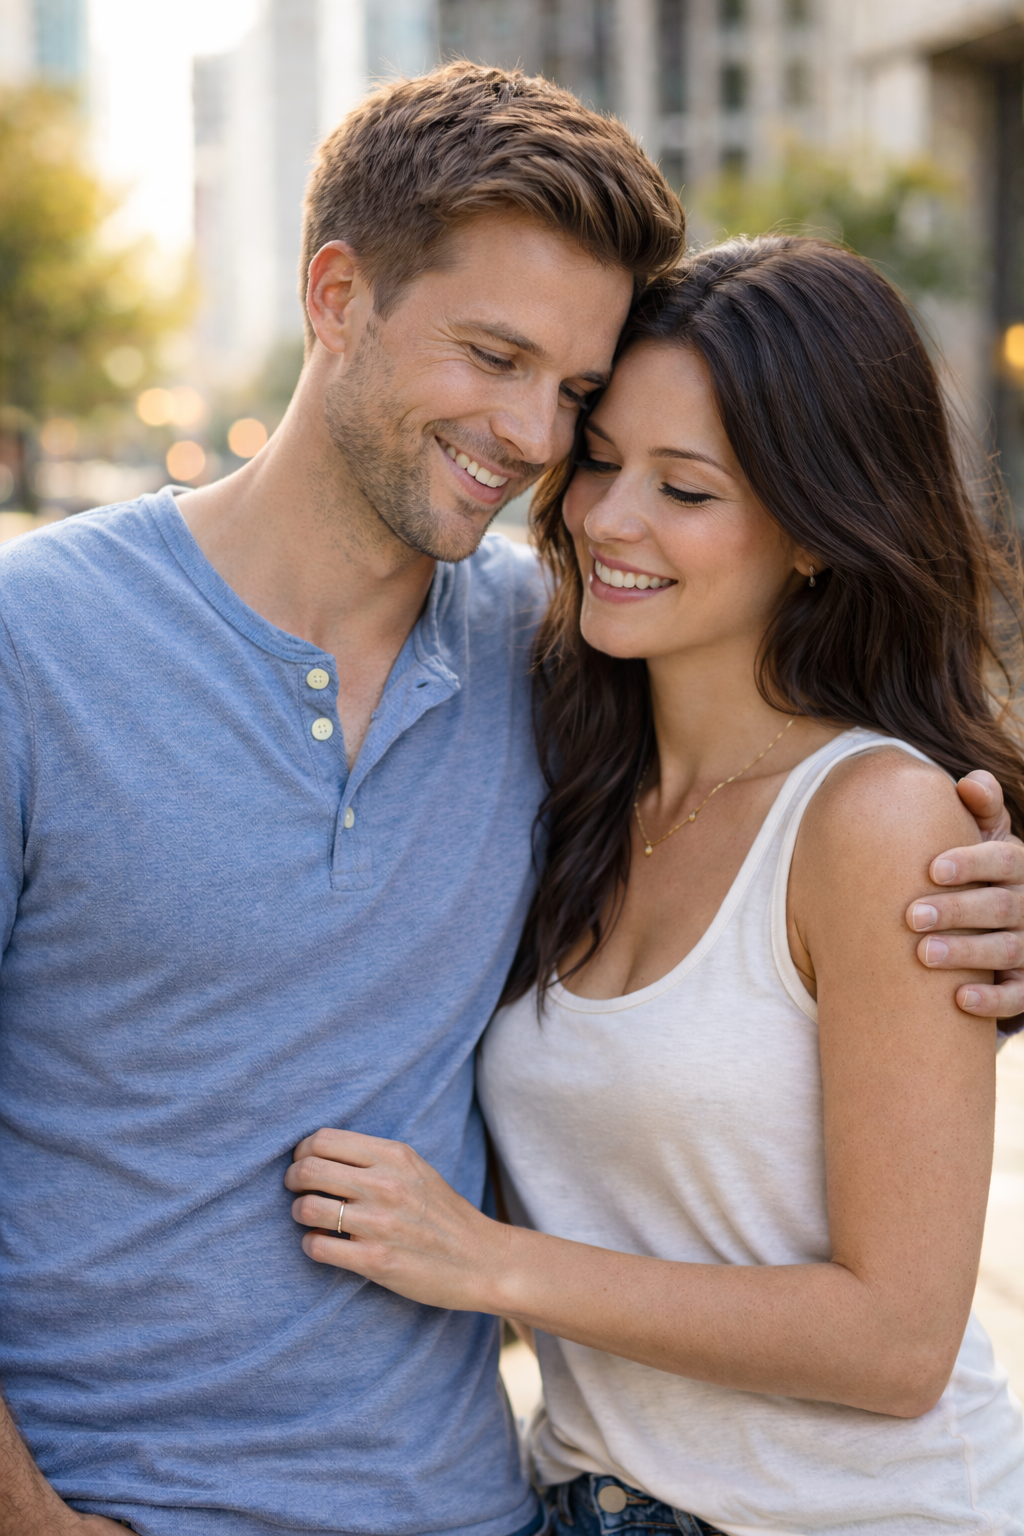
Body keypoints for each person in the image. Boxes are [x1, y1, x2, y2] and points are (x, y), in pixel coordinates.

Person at [0, 64, 1020, 1536]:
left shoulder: (549, 660)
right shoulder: (40, 645)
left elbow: (811, 802)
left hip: (476, 1507)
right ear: (338, 297)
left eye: (576, 394)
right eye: (494, 356)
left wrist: (987, 899)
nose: (543, 446)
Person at [287, 237, 1024, 1535]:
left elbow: (898, 1343)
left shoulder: (879, 820)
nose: (610, 519)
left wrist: (491, 1261)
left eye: (686, 489)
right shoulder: (561, 762)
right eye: (603, 462)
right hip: (585, 1500)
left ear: (813, 530)